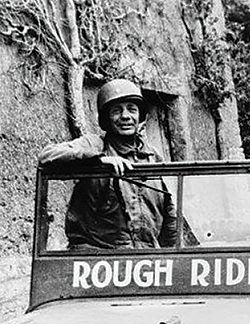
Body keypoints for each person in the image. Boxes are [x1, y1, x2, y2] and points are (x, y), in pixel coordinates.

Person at [39, 78, 176, 249]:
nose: (125, 116)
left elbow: (170, 213)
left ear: (140, 116)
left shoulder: (153, 156)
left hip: (144, 260)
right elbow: (47, 156)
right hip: (97, 261)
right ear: (106, 119)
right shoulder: (95, 144)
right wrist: (98, 160)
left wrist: (173, 258)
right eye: (116, 111)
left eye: (131, 109)